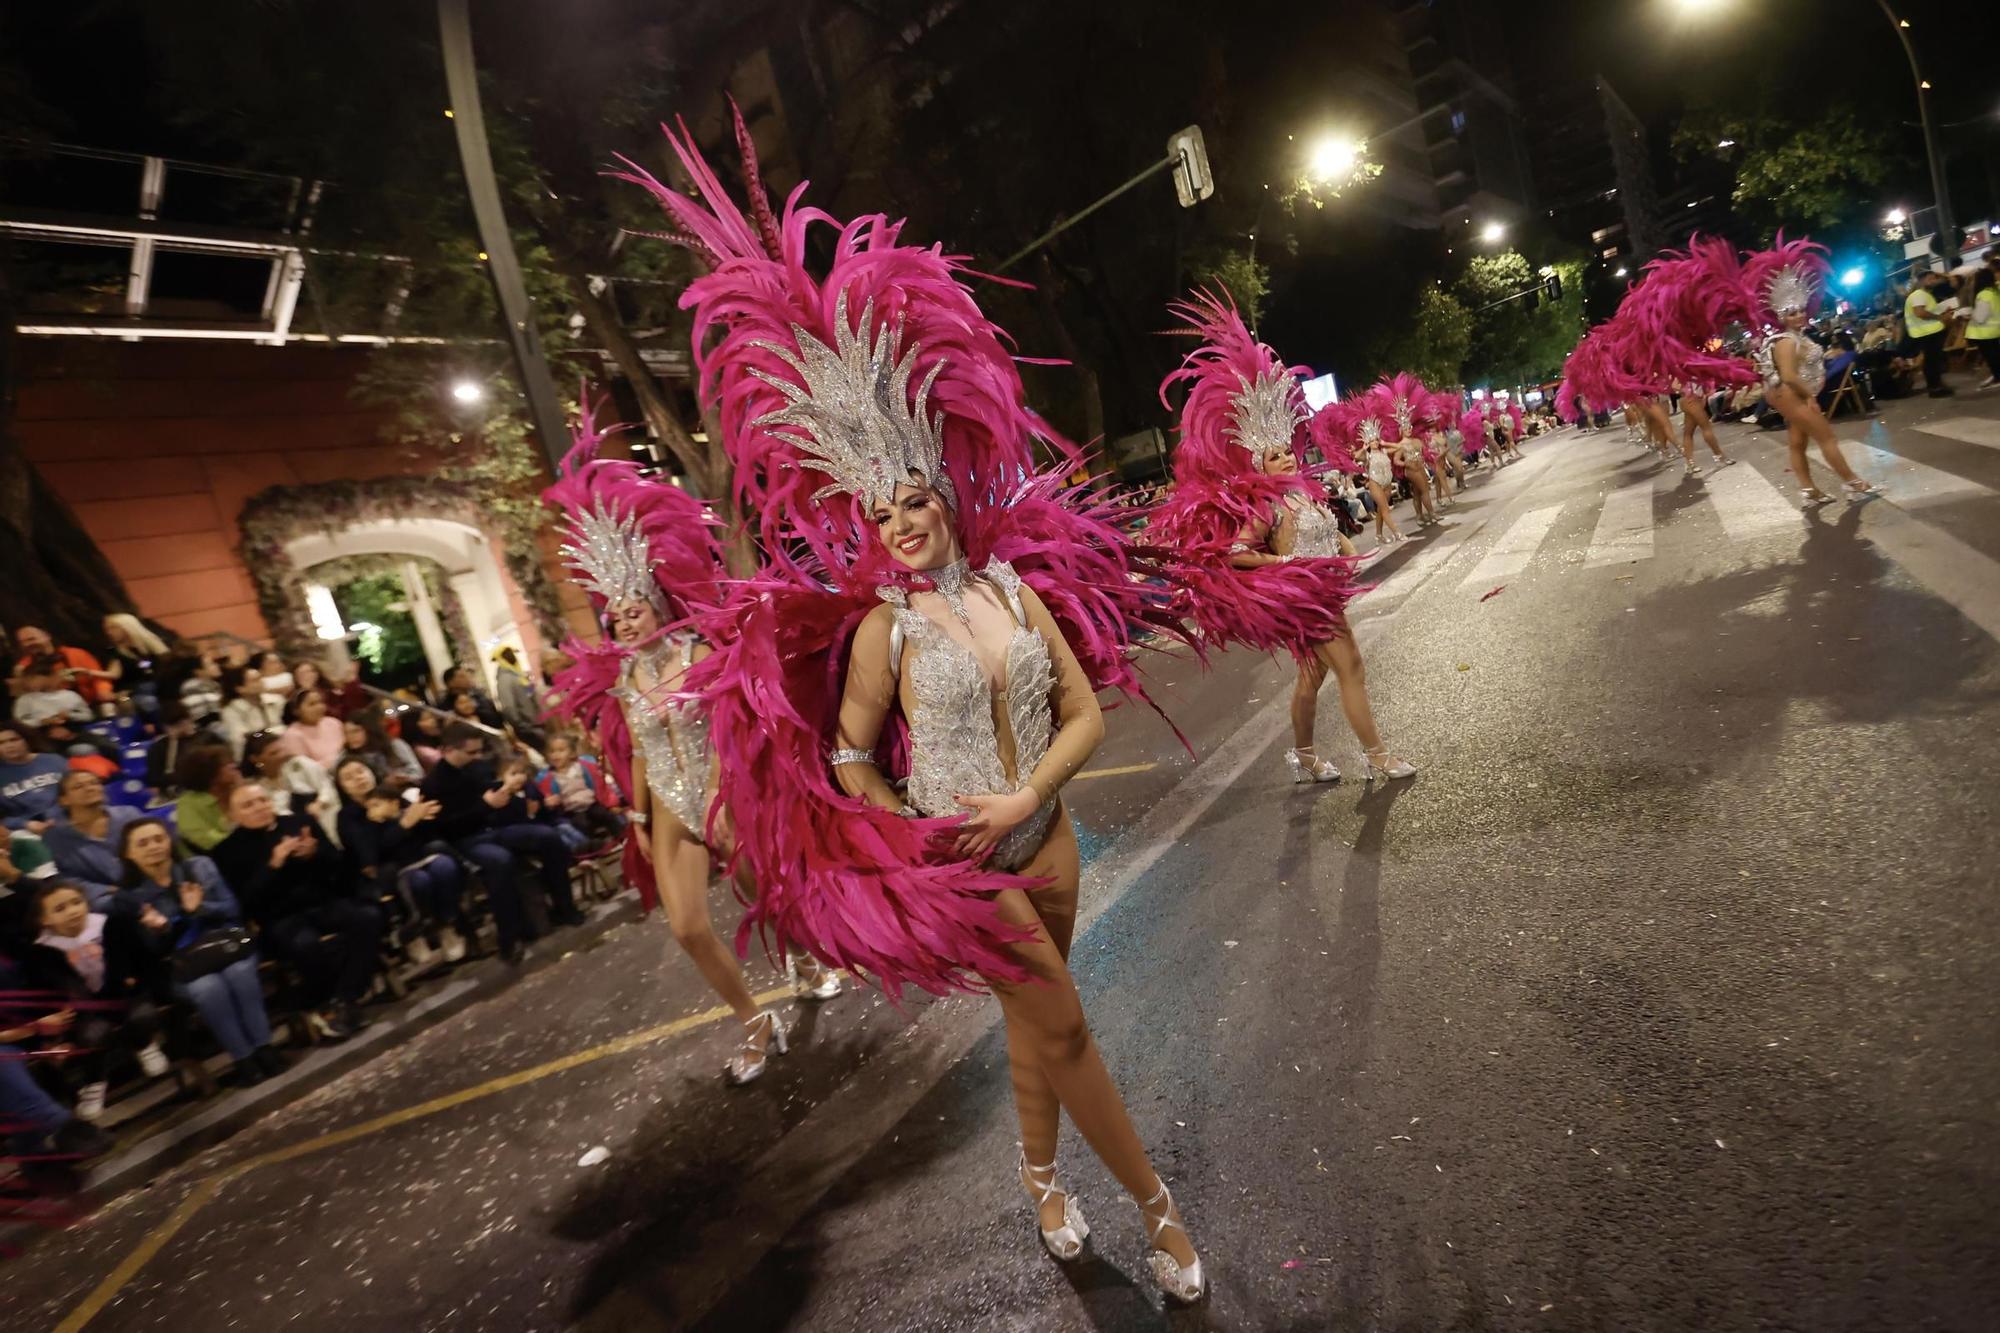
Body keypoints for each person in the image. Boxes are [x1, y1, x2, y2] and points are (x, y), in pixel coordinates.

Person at [648, 114, 1204, 1298]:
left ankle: (1038, 1177)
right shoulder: (878, 631)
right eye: (882, 516)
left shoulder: (1011, 587)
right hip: (968, 864)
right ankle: (1158, 1212)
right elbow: (847, 754)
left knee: (1037, 1027)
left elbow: (1084, 717)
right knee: (1067, 1029)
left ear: (942, 497)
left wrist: (1033, 792)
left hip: (1045, 835)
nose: (902, 525)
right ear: (868, 528)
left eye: (915, 502)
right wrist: (899, 823)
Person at [544, 405, 838, 1080]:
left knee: (769, 895)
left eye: (634, 603)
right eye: (616, 610)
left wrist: (720, 795)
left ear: (655, 597)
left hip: (722, 792)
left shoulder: (699, 650)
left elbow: (734, 729)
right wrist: (642, 819)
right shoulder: (626, 674)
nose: (624, 615)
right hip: (671, 808)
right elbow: (642, 752)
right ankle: (755, 1021)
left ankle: (806, 956)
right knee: (685, 925)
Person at [113, 817, 284, 1083]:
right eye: (143, 843)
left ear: (170, 841)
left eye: (159, 839)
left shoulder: (199, 867)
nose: (153, 847)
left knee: (239, 974)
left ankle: (265, 1049)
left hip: (228, 946)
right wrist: (162, 929)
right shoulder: (130, 897)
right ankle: (244, 1059)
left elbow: (232, 909)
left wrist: (200, 909)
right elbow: (150, 952)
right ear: (128, 853)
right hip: (183, 965)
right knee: (209, 988)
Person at [212, 783, 381, 1040]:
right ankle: (322, 1002)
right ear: (233, 816)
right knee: (305, 944)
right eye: (248, 805)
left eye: (262, 800)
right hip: (278, 918)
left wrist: (315, 853)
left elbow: (338, 865)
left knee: (368, 917)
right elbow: (246, 902)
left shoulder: (299, 823)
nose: (259, 807)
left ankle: (344, 998)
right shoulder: (226, 851)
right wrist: (273, 865)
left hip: (322, 903)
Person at [420, 721, 581, 965]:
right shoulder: (434, 784)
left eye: (477, 751)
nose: (476, 756)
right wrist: (486, 805)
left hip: (496, 828)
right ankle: (510, 938)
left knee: (547, 837)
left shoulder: (478, 767)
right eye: (470, 752)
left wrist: (511, 790)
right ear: (450, 750)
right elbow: (444, 827)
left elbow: (494, 794)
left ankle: (564, 907)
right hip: (466, 840)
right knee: (499, 861)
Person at [22, 881, 167, 1121]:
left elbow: (145, 961)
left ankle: (144, 1044)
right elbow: (42, 992)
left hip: (124, 996)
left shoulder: (112, 926)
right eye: (60, 909)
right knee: (92, 1034)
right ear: (44, 920)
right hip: (84, 1013)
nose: (72, 911)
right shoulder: (41, 953)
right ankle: (95, 1079)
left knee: (142, 1014)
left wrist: (135, 979)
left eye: (76, 902)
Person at [1748, 244, 1881, 505]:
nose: (1799, 316)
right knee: (1827, 438)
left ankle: (1809, 491)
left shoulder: (1797, 337)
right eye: (1792, 312)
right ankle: (1852, 483)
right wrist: (1809, 397)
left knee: (1797, 441)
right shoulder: (1786, 340)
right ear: (1781, 316)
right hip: (1791, 393)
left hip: (1792, 394)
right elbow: (1788, 375)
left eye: (1801, 310)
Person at [334, 759, 467, 967]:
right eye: (348, 778)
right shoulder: (347, 817)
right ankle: (414, 933)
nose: (357, 778)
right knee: (419, 881)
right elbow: (369, 854)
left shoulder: (391, 795)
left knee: (445, 866)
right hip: (388, 873)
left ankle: (447, 927)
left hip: (418, 856)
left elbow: (422, 831)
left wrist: (423, 817)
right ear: (342, 788)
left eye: (360, 771)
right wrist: (400, 823)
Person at [44, 770, 144, 908]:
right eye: (78, 787)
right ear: (64, 800)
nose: (90, 788)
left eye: (95, 783)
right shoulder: (55, 838)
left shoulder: (129, 815)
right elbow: (67, 879)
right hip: (109, 898)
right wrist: (109, 890)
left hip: (148, 884)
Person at [241, 731, 339, 843]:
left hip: (327, 820)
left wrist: (319, 803)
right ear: (255, 759)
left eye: (282, 749)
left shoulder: (300, 764)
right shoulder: (256, 788)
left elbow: (326, 785)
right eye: (273, 753)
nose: (281, 755)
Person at [533, 733, 625, 849]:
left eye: (561, 750)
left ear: (571, 753)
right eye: (552, 751)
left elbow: (599, 786)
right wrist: (550, 801)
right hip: (573, 810)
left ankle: (622, 836)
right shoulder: (549, 777)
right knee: (582, 825)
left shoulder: (581, 767)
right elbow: (547, 796)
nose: (556, 755)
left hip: (591, 803)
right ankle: (596, 846)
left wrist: (611, 803)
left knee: (605, 815)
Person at [9, 626, 112, 708]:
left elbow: (99, 679)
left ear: (47, 636)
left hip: (89, 705)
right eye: (23, 642)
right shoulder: (23, 667)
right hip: (53, 715)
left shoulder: (75, 654)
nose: (28, 644)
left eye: (31, 639)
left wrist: (103, 692)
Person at [172, 743, 242, 853]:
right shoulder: (188, 804)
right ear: (209, 773)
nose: (233, 766)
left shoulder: (240, 791)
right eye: (226, 764)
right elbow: (209, 842)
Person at [1, 723, 70, 831]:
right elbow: (3, 819)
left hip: (67, 815)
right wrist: (25, 824)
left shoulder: (54, 760)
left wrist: (57, 814)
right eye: (1, 743)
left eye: (14, 740)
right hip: (26, 829)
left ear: (27, 740)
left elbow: (76, 791)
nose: (9, 746)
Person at [339, 709, 424, 791]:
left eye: (355, 731)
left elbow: (418, 772)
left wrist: (403, 777)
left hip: (408, 788)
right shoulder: (347, 757)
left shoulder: (394, 745)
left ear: (369, 729)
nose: (350, 737)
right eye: (346, 733)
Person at [1903, 268, 1955, 398]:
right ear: (1921, 280)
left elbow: (1948, 279)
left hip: (1928, 332)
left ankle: (1936, 385)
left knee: (1933, 361)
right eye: (1930, 279)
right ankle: (1935, 388)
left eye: (1934, 279)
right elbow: (1919, 313)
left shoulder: (1924, 294)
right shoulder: (1919, 294)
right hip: (1927, 332)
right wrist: (1940, 318)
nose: (1933, 281)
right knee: (1931, 361)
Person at [216, 663, 269, 759]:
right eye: (255, 680)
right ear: (239, 688)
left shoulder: (274, 701)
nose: (262, 682)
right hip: (251, 757)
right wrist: (268, 733)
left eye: (261, 678)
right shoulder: (231, 711)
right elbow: (244, 739)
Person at [1966, 268, 2000, 389]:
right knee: (1995, 355)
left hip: (1984, 332)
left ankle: (1997, 378)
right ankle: (1996, 376)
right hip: (1993, 330)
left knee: (1992, 357)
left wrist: (1970, 314)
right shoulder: (1994, 291)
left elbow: (1980, 317)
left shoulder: (1984, 294)